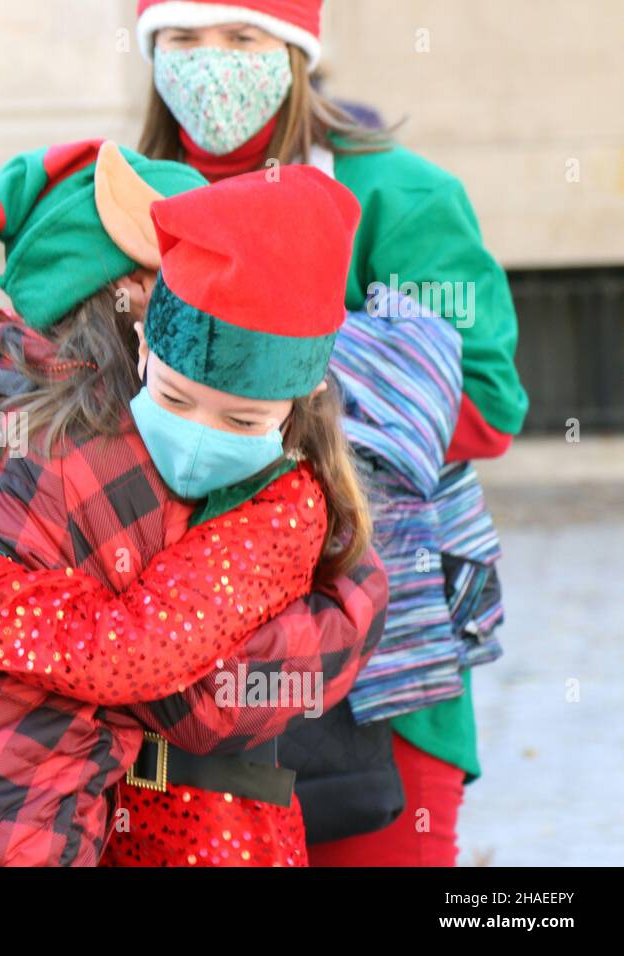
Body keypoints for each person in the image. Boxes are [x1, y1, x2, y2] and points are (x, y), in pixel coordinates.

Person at [0, 142, 388, 867]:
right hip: (102, 824)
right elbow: (180, 683)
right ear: (139, 323)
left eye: (241, 420)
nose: (195, 438)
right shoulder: (72, 450)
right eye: (177, 399)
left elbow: (164, 678)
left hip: (145, 828)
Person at [129, 0, 525, 864]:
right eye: (184, 40)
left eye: (243, 37)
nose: (212, 62)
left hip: (381, 670)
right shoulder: (119, 194)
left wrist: (257, 373)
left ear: (298, 51)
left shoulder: (398, 193)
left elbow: (488, 406)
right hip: (174, 666)